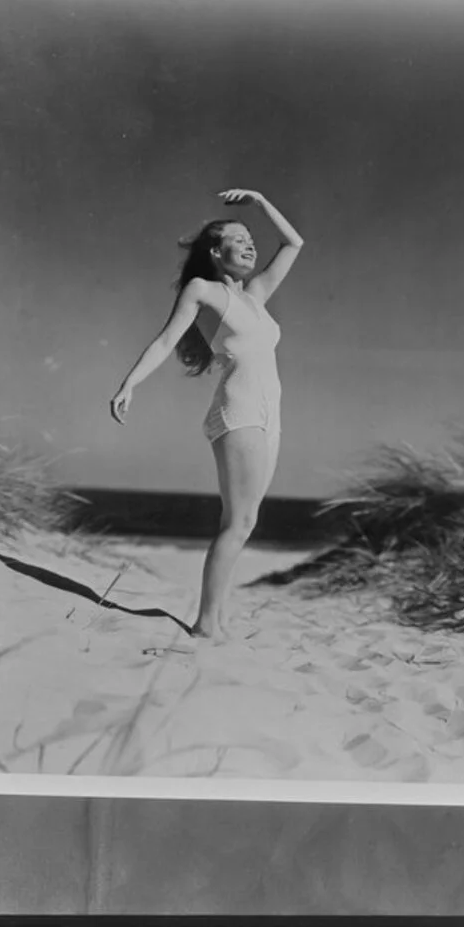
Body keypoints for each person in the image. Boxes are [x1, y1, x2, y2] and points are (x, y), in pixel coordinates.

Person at [110, 189, 304, 641]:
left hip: (270, 413)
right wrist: (129, 384)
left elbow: (294, 243)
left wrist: (258, 201)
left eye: (251, 237)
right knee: (237, 523)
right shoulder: (204, 291)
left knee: (245, 522)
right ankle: (205, 625)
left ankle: (215, 619)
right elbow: (164, 341)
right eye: (239, 238)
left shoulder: (256, 294)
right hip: (236, 412)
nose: (251, 244)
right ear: (217, 253)